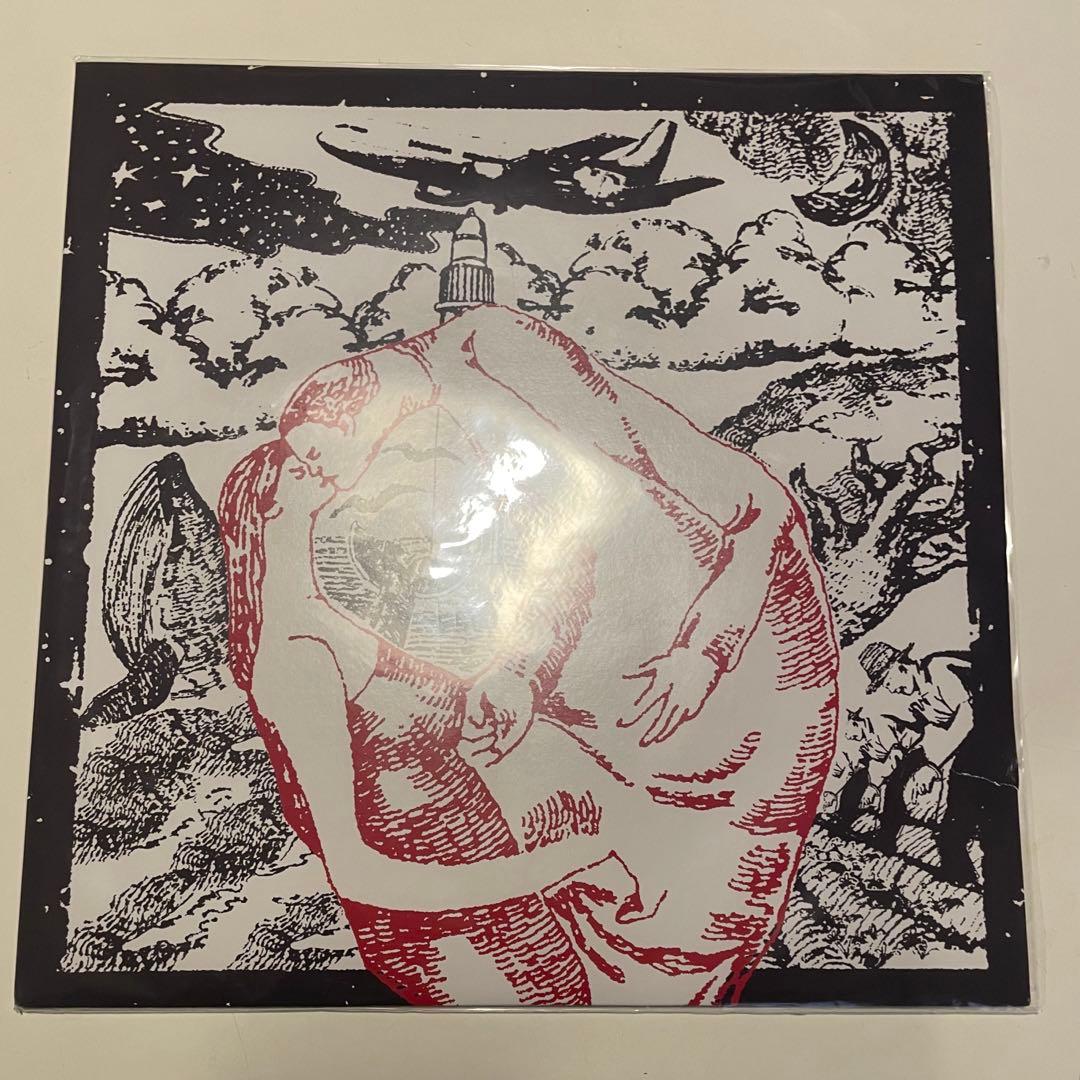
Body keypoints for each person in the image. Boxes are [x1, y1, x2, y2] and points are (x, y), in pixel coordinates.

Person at [218, 304, 840, 1005]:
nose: (318, 480)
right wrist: (518, 672)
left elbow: (758, 510)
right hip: (596, 703)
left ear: (359, 414)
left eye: (315, 459)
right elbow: (554, 556)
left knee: (694, 921)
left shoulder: (496, 356)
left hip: (733, 670)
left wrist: (704, 653)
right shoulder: (401, 455)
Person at [856, 641, 977, 883]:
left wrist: (932, 765)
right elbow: (920, 728)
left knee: (956, 819)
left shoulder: (938, 668)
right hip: (974, 742)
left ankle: (961, 878)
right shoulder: (921, 696)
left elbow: (967, 718)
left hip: (994, 737)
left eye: (888, 682)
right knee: (900, 778)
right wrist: (900, 750)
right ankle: (887, 839)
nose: (891, 690)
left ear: (900, 666)